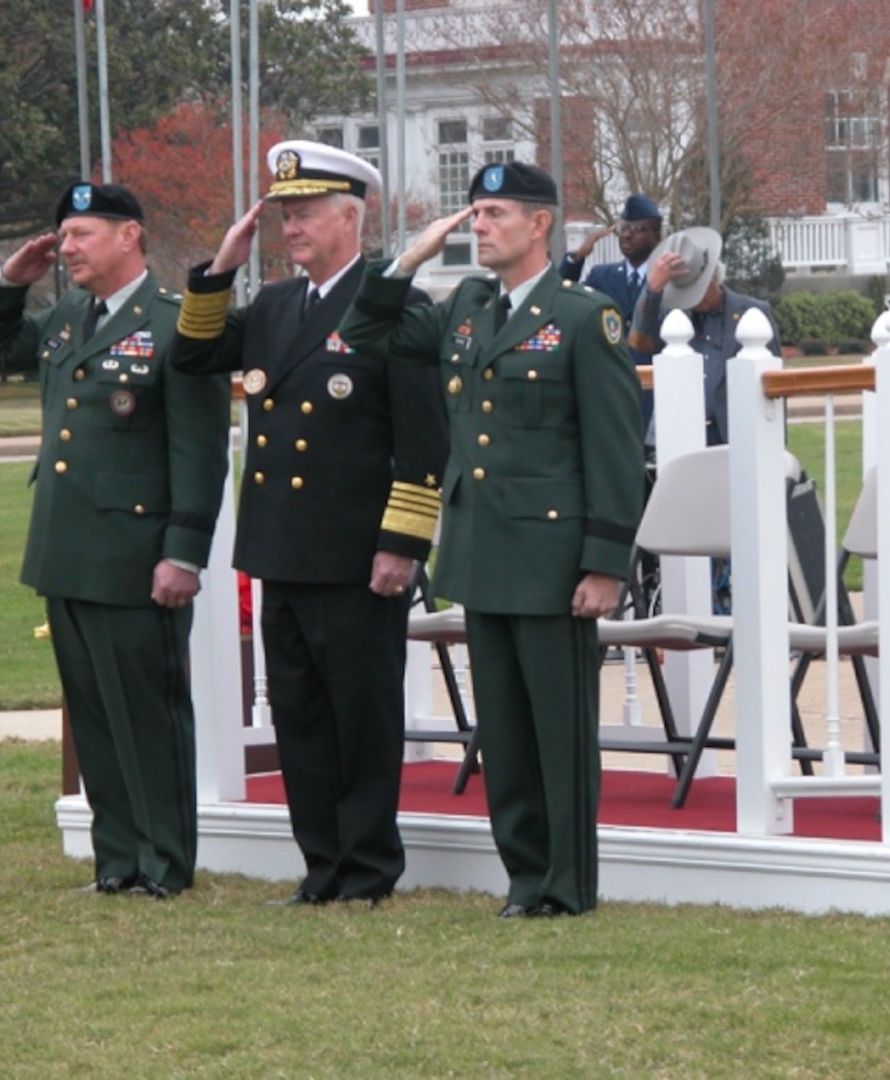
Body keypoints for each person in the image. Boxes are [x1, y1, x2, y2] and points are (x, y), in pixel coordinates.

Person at [337, 162, 645, 918]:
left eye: (495, 213)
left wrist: (605, 564)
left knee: (558, 732)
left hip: (551, 558)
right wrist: (407, 261)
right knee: (503, 733)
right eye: (473, 213)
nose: (478, 226)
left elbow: (614, 451)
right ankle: (523, 879)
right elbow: (362, 332)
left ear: (540, 224)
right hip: (479, 552)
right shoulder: (468, 307)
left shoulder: (583, 318)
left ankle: (566, 886)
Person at [170, 140, 448, 907]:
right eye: (283, 214)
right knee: (299, 717)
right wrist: (220, 268)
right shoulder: (276, 307)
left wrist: (401, 545)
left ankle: (366, 869)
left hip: (358, 555)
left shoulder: (395, 305)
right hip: (282, 547)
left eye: (304, 213)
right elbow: (193, 355)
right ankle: (321, 866)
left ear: (350, 217)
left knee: (361, 717)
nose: (289, 227)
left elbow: (424, 439)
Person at [0, 181, 231, 899]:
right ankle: (116, 861)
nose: (68, 248)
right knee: (95, 718)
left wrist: (183, 552)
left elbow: (201, 451)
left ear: (130, 237)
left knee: (147, 715)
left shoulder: (176, 324)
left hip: (136, 555)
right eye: (65, 235)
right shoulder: (65, 317)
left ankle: (165, 865)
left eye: (83, 234)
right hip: (67, 550)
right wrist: (6, 284)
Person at [628, 225, 781, 614]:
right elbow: (639, 343)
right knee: (687, 534)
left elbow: (775, 389)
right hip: (679, 444)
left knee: (739, 534)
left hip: (733, 440)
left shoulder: (752, 313)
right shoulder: (669, 315)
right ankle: (689, 606)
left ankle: (735, 605)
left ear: (713, 277)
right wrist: (653, 288)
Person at [559, 193, 664, 434]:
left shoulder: (667, 279)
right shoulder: (602, 276)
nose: (627, 234)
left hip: (653, 390)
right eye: (624, 228)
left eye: (637, 229)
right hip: (609, 387)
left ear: (656, 236)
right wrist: (576, 259)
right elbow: (559, 298)